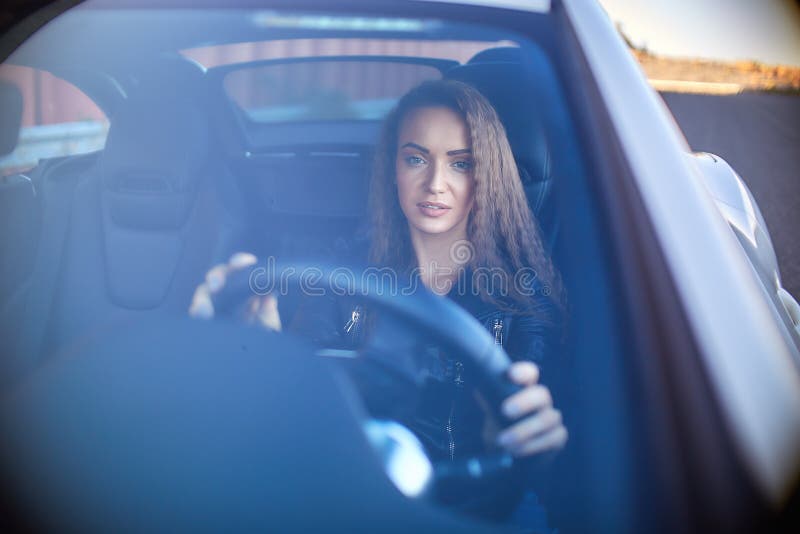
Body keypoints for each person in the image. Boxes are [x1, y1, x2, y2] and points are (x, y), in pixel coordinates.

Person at [190, 79, 567, 524]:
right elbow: (301, 393)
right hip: (343, 492)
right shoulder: (342, 273)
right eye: (415, 159)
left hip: (471, 503)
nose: (435, 184)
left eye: (460, 164)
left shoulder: (524, 296)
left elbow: (540, 426)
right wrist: (260, 345)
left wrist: (515, 440)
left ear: (487, 174)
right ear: (393, 168)